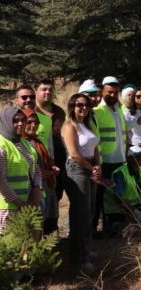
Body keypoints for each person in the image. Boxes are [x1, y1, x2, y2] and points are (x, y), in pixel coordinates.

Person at [60, 95, 99, 271]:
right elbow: (74, 153)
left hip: (90, 167)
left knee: (90, 211)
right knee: (80, 214)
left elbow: (95, 146)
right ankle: (78, 256)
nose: (83, 108)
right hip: (77, 169)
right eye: (79, 105)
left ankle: (87, 249)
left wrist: (97, 165)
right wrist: (92, 168)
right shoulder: (69, 126)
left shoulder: (88, 124)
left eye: (86, 105)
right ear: (72, 106)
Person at [92, 77, 131, 232]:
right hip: (105, 160)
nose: (112, 95)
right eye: (109, 92)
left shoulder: (118, 109)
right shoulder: (98, 111)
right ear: (102, 91)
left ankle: (112, 225)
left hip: (119, 159)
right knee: (99, 196)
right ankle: (94, 228)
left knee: (116, 194)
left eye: (115, 92)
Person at [34, 79, 67, 236]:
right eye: (43, 89)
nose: (47, 92)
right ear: (36, 91)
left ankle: (52, 236)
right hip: (36, 161)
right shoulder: (30, 113)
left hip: (57, 159)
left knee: (55, 197)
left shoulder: (59, 112)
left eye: (50, 90)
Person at [22, 108, 59, 238]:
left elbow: (43, 162)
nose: (33, 125)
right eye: (29, 122)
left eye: (36, 122)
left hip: (43, 188)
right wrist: (39, 173)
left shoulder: (37, 141)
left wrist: (51, 169)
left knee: (42, 227)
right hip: (29, 191)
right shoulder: (19, 142)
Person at [103, 146, 141, 233]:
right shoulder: (121, 173)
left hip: (134, 205)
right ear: (129, 159)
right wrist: (135, 212)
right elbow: (118, 198)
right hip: (116, 209)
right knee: (122, 230)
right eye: (137, 156)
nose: (140, 158)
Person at [123, 87, 141, 152]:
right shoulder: (127, 112)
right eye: (138, 96)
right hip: (133, 145)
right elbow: (125, 129)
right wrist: (137, 122)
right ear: (133, 97)